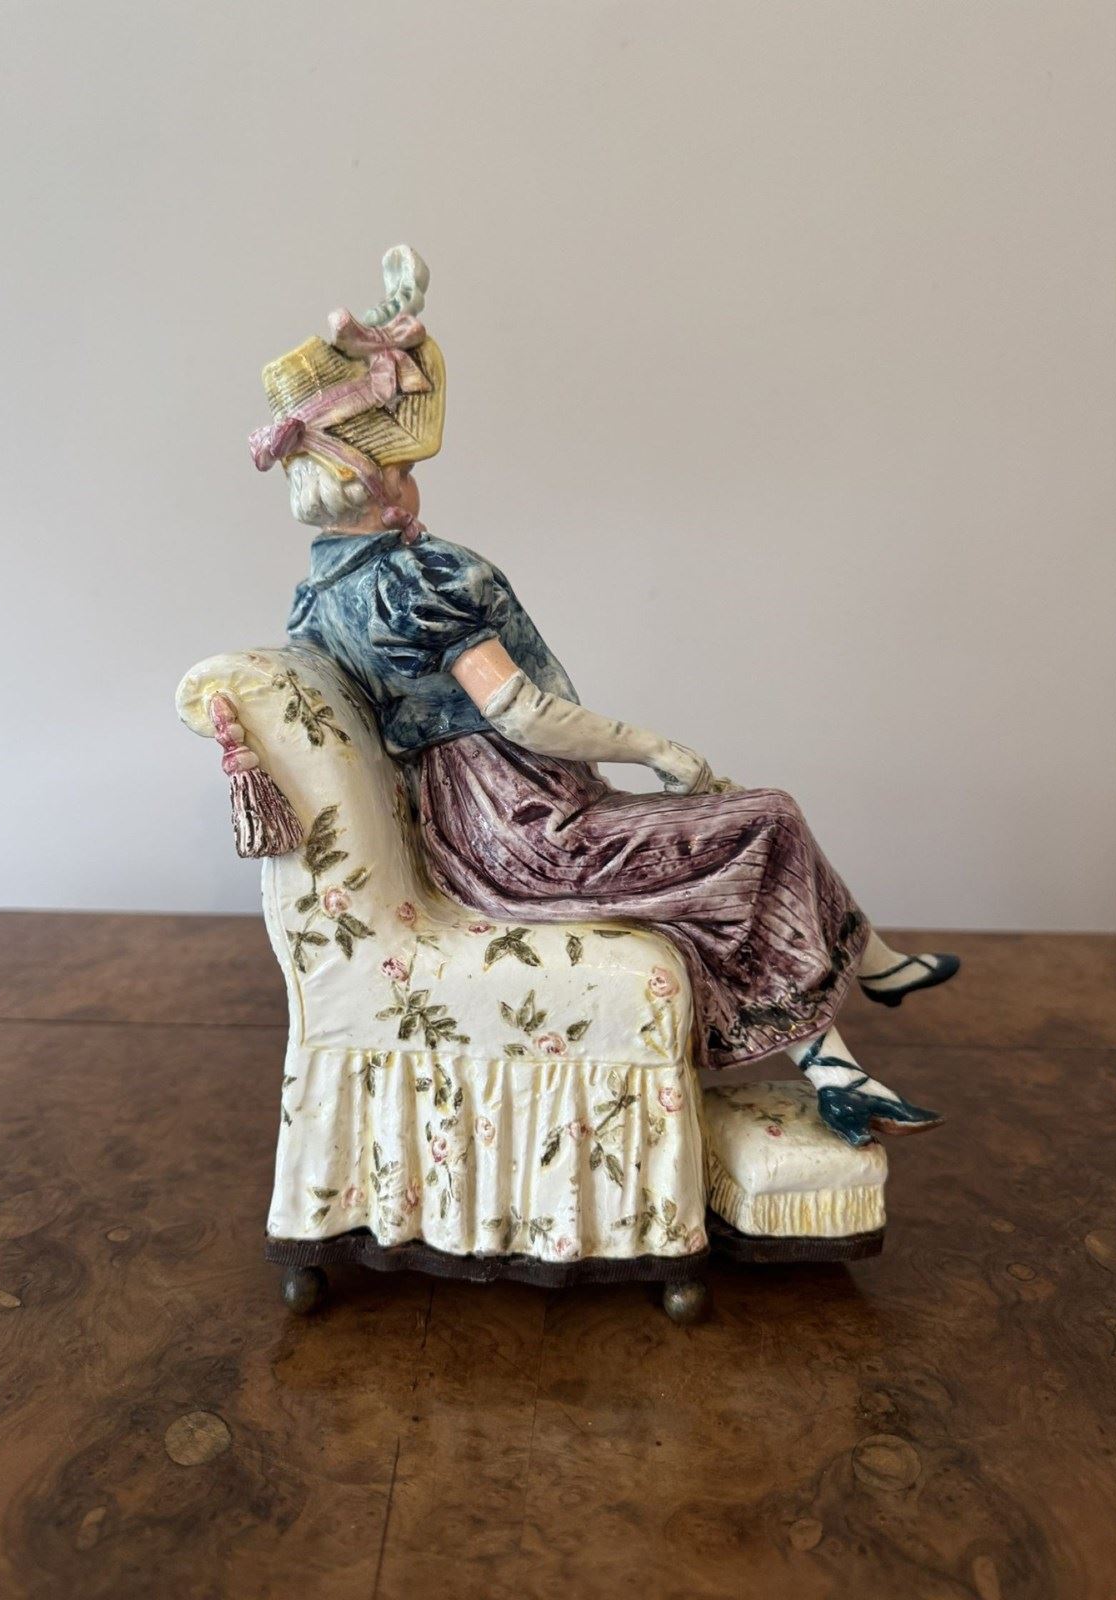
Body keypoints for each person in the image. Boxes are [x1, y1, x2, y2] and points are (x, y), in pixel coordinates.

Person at [250, 247, 959, 1149]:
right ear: (377, 480)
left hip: (470, 826)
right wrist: (654, 747)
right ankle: (867, 988)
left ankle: (846, 1053)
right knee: (765, 817)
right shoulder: (416, 580)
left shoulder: (317, 595)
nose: (411, 475)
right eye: (400, 463)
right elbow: (521, 712)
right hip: (527, 830)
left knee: (738, 837)